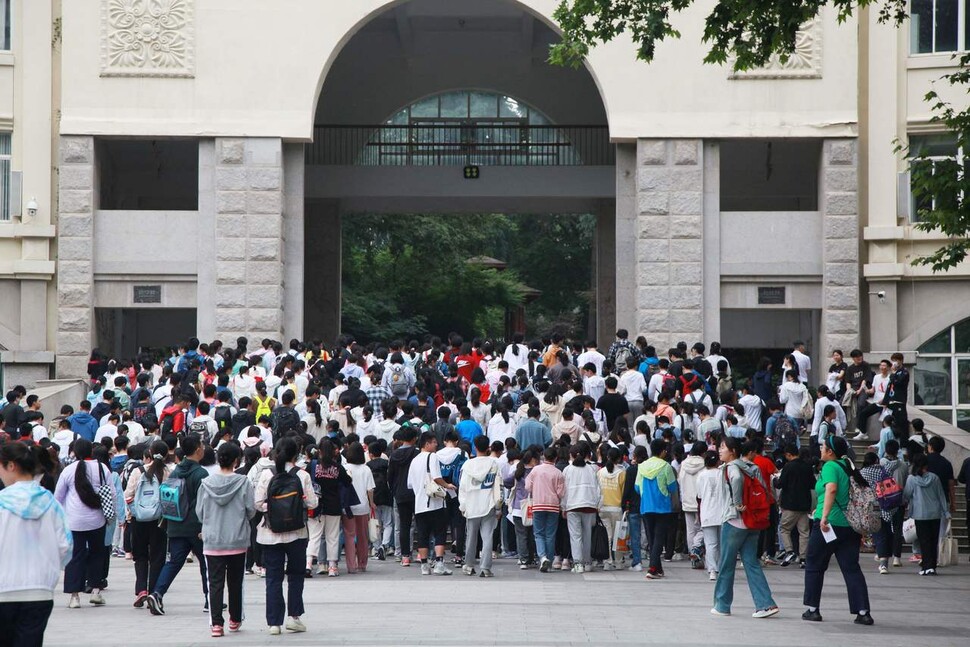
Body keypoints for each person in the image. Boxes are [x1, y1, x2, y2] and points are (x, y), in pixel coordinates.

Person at [0, 441, 73, 643]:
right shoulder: (52, 504)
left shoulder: (1, 502)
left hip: (3, 590)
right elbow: (65, 546)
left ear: (11, 466)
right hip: (39, 590)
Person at [802, 436, 873, 625]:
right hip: (850, 526)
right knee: (851, 568)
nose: (820, 449)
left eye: (823, 447)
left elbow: (831, 489)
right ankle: (863, 611)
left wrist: (823, 516)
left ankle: (812, 609)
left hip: (829, 524)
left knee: (815, 564)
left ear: (830, 451)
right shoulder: (847, 466)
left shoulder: (830, 467)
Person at [255, 437, 318, 635]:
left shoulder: (266, 474)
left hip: (269, 533)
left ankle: (274, 623)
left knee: (273, 578)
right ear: (296, 454)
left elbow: (257, 503)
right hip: (297, 533)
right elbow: (313, 503)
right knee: (296, 575)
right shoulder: (302, 475)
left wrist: (272, 508)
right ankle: (294, 617)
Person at [711, 437, 779, 619]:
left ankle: (722, 605)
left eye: (723, 447)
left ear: (732, 451)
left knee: (726, 564)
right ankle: (765, 604)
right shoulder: (751, 467)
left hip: (734, 522)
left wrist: (738, 503)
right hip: (752, 522)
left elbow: (736, 480)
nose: (719, 450)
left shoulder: (732, 468)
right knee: (751, 563)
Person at [196, 442, 255, 637]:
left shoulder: (206, 483)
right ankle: (235, 619)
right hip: (237, 539)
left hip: (213, 540)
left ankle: (216, 624)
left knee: (215, 582)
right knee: (236, 582)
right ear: (236, 460)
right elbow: (251, 510)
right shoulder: (244, 482)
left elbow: (200, 512)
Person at [146, 435, 210, 617]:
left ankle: (157, 593)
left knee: (174, 562)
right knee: (205, 563)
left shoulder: (175, 472)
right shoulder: (201, 474)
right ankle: (210, 599)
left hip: (175, 524)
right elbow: (203, 503)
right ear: (198, 449)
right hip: (195, 527)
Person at [54, 438, 111, 609]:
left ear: (74, 452)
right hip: (97, 520)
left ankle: (74, 596)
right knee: (97, 554)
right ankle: (95, 591)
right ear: (91, 451)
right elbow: (112, 494)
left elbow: (58, 497)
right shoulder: (102, 468)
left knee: (75, 557)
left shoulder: (68, 470)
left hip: (74, 521)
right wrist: (111, 516)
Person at [125, 440, 173, 608]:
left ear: (150, 453)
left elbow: (128, 494)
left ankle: (141, 590)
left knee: (140, 556)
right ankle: (153, 591)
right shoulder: (167, 472)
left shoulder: (138, 471)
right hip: (159, 521)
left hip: (139, 520)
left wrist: (134, 511)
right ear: (166, 454)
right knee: (157, 557)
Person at [406, 431, 455, 575]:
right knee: (439, 532)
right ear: (426, 444)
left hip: (419, 503)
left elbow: (409, 484)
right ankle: (439, 563)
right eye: (434, 442)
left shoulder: (414, 460)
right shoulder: (432, 456)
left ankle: (424, 565)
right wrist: (447, 485)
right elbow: (436, 477)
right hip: (434, 502)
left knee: (422, 534)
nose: (436, 444)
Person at [458, 435, 502, 577]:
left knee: (471, 536)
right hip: (488, 504)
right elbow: (498, 486)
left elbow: (463, 487)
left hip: (471, 504)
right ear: (488, 447)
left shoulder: (467, 465)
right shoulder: (494, 464)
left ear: (475, 447)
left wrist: (463, 506)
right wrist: (498, 506)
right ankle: (485, 568)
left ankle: (469, 565)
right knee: (487, 536)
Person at [635, 438, 678, 580]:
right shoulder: (666, 467)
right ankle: (653, 568)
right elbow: (672, 487)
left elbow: (637, 487)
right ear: (663, 451)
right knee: (659, 538)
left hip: (646, 506)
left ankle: (658, 569)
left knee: (652, 538)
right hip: (663, 507)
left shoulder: (641, 467)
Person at [903, 453, 949, 576]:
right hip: (935, 513)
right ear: (926, 465)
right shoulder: (935, 478)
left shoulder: (911, 479)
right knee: (933, 541)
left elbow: (906, 495)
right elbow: (941, 496)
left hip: (920, 514)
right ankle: (932, 566)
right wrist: (946, 511)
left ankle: (926, 566)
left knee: (924, 541)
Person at [311, 439, 352, 577]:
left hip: (317, 506)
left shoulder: (314, 466)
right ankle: (333, 567)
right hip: (334, 505)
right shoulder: (337, 467)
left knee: (315, 536)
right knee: (332, 536)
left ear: (320, 451)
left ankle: (308, 564)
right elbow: (347, 482)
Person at [525, 445, 566, 573]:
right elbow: (561, 493)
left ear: (544, 457)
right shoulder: (558, 473)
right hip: (553, 506)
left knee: (538, 533)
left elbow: (527, 487)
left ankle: (542, 557)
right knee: (550, 534)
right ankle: (548, 558)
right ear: (556, 458)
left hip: (538, 505)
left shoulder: (536, 470)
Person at [562, 443, 600, 574]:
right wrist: (597, 505)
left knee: (575, 536)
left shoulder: (567, 470)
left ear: (571, 455)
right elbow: (598, 489)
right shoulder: (593, 469)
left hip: (572, 505)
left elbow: (564, 491)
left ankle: (578, 564)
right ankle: (588, 563)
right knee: (587, 535)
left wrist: (563, 507)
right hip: (589, 505)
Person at [774, 445, 814, 568]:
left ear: (788, 455)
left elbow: (780, 484)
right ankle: (803, 558)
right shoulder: (807, 467)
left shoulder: (788, 466)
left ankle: (789, 551)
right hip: (804, 505)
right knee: (804, 532)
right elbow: (813, 483)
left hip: (790, 504)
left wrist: (774, 480)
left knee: (784, 529)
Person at [342, 442, 376, 574]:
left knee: (349, 536)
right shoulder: (366, 469)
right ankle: (362, 563)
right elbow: (370, 490)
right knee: (362, 536)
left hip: (348, 507)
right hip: (363, 506)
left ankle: (351, 565)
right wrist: (371, 503)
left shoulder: (345, 468)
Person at [695, 449, 729, 581]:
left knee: (710, 543)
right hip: (722, 512)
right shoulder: (722, 474)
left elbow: (699, 495)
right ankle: (721, 567)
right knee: (722, 543)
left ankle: (712, 570)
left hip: (707, 512)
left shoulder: (701, 475)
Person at [677, 441, 707, 569]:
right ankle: (696, 549)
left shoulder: (683, 464)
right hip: (701, 502)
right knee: (702, 529)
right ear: (703, 453)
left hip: (687, 502)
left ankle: (692, 555)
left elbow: (679, 481)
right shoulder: (705, 465)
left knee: (690, 530)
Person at [597, 446, 627, 569]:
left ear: (607, 457)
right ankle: (619, 562)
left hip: (602, 508)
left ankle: (607, 561)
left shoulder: (600, 472)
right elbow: (624, 492)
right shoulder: (622, 473)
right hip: (617, 508)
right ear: (619, 458)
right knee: (618, 535)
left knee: (607, 536)